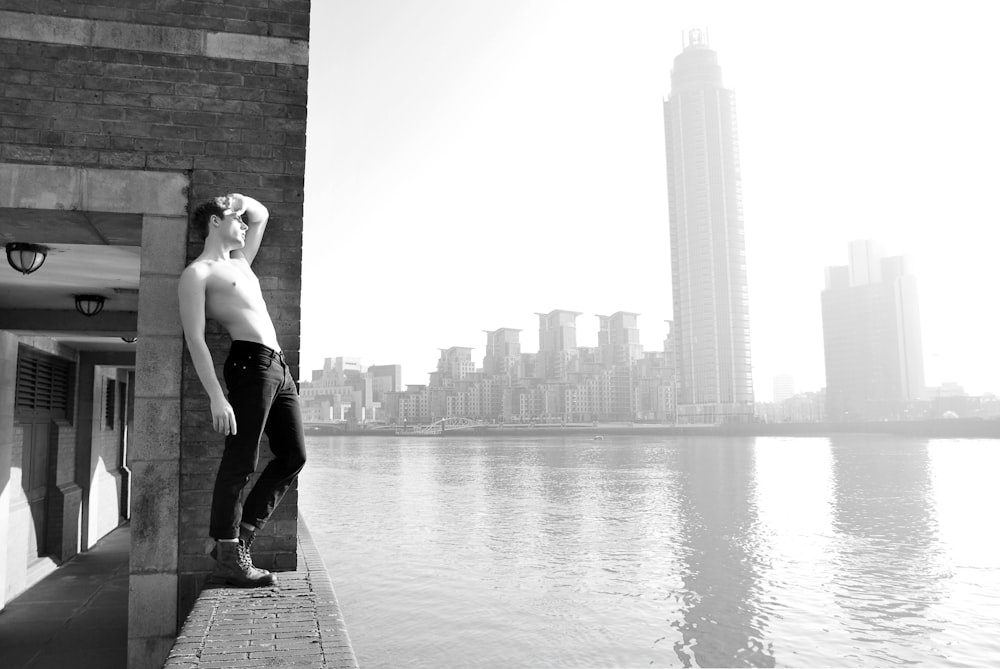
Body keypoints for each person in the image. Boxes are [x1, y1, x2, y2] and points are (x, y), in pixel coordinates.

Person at [178, 192, 306, 587]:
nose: (245, 224)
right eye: (237, 218)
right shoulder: (198, 274)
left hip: (278, 367)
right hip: (250, 365)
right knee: (241, 460)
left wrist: (238, 199)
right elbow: (195, 339)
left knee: (293, 455)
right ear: (215, 223)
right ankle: (230, 553)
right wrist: (216, 395)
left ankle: (238, 540)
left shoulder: (241, 263)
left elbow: (262, 212)